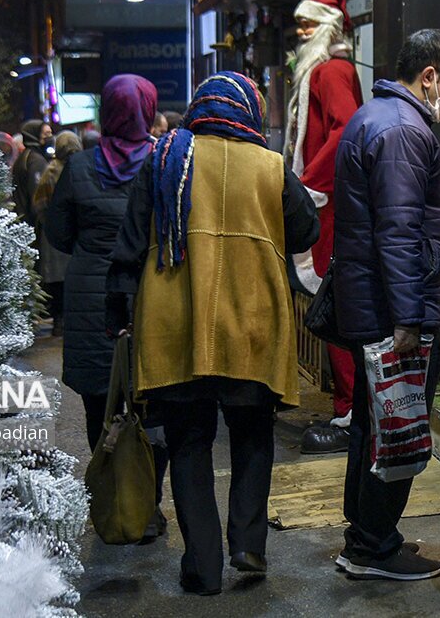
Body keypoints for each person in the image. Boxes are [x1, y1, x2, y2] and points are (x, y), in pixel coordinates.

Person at [105, 73, 319, 595]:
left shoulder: (163, 159)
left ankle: (202, 566)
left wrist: (119, 316)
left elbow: (131, 244)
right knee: (251, 434)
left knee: (189, 443)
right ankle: (247, 544)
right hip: (253, 321)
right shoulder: (270, 165)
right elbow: (307, 229)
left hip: (176, 325)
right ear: (248, 109)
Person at [330, 29, 440, 582]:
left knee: (375, 422)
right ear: (428, 75)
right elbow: (400, 232)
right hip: (393, 311)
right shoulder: (405, 131)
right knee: (398, 423)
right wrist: (411, 318)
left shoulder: (379, 116)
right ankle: (374, 547)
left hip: (374, 303)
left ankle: (365, 537)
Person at [45, 74, 170, 542]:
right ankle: (149, 507)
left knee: (101, 408)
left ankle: (111, 506)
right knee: (153, 407)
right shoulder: (162, 162)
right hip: (148, 297)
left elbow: (57, 233)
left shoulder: (79, 168)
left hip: (90, 301)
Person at [283, 0, 365, 455]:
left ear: (329, 27)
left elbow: (344, 127)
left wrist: (308, 183)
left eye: (308, 25)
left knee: (333, 304)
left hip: (325, 202)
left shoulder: (331, 71)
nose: (300, 33)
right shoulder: (327, 70)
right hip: (324, 198)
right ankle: (349, 403)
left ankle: (350, 407)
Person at [33, 130, 82, 338]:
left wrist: (50, 224)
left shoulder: (50, 171)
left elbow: (39, 204)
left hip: (53, 236)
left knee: (56, 282)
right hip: (77, 233)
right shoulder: (82, 168)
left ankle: (59, 322)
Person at [11, 119, 49, 228]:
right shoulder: (36, 161)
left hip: (25, 220)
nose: (50, 137)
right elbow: (39, 196)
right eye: (46, 134)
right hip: (34, 224)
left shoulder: (25, 157)